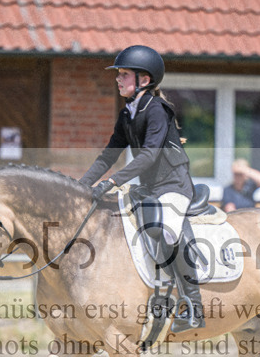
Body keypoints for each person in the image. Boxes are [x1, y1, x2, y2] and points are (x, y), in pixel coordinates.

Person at [78, 45, 204, 332]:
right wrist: (80, 186)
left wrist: (112, 182)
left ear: (144, 80)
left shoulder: (157, 110)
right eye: (119, 74)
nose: (118, 79)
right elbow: (108, 156)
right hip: (149, 189)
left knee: (167, 231)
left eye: (124, 74)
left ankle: (193, 306)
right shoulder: (128, 114)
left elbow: (148, 155)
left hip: (174, 186)